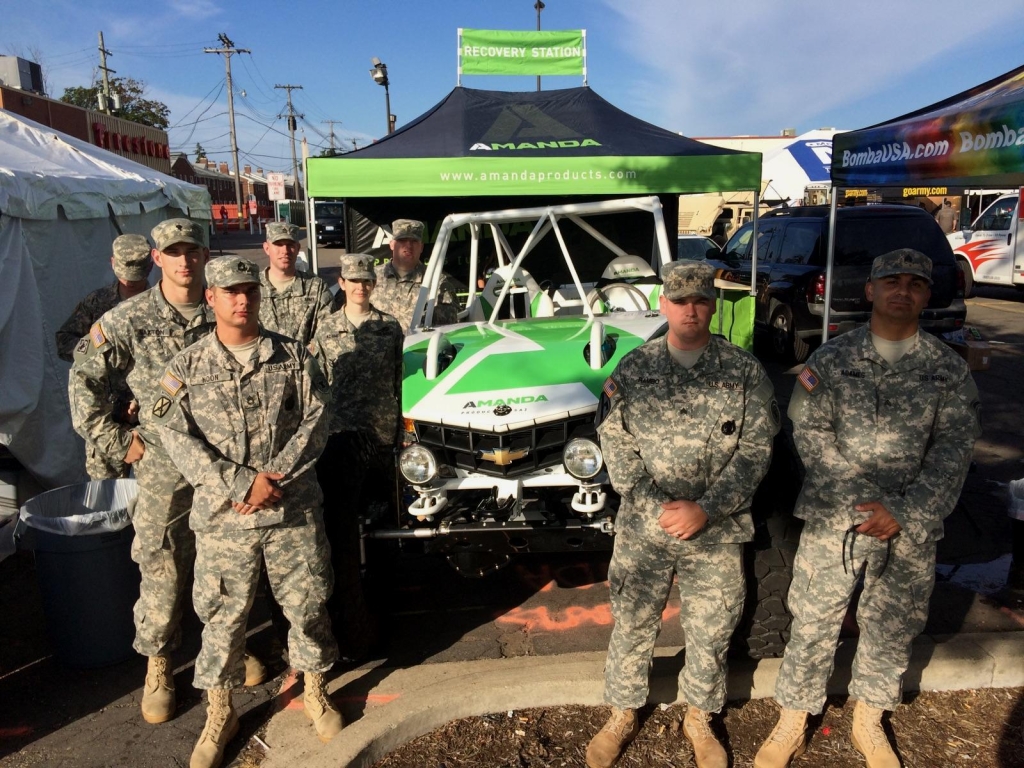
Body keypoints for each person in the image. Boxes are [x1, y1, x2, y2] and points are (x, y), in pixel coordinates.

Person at [754, 249, 981, 768]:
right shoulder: (831, 360)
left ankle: (869, 717)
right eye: (891, 280)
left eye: (916, 283)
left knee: (891, 623)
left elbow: (955, 449)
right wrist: (863, 502)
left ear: (928, 295)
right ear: (871, 290)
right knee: (813, 619)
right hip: (838, 520)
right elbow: (809, 431)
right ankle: (793, 718)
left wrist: (905, 510)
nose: (903, 290)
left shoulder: (946, 370)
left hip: (909, 527)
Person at [69, 219, 265, 727]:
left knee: (226, 559)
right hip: (162, 462)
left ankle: (227, 651)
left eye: (192, 251)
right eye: (172, 252)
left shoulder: (224, 306)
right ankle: (158, 661)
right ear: (156, 259)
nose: (184, 261)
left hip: (224, 461)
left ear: (204, 255)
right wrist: (117, 440)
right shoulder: (128, 318)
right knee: (162, 559)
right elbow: (83, 380)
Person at [586, 261, 779, 768]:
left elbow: (757, 450)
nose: (690, 309)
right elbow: (615, 441)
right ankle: (623, 711)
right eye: (680, 301)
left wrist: (706, 510)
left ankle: (699, 715)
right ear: (665, 305)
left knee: (712, 629)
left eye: (700, 300)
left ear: (712, 306)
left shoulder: (742, 370)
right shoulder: (633, 368)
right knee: (632, 621)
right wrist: (657, 506)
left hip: (716, 529)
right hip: (645, 530)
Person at [154, 257, 340, 768]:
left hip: (290, 509)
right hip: (224, 519)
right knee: (222, 617)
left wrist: (272, 479)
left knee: (306, 604)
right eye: (230, 291)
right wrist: (241, 483)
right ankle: (221, 712)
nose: (242, 299)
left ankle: (315, 690)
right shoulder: (186, 367)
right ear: (210, 297)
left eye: (249, 291)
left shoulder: (293, 356)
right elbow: (174, 435)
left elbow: (318, 421)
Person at [309, 253, 403, 658]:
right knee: (344, 523)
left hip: (382, 434)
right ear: (341, 282)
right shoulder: (325, 328)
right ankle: (356, 612)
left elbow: (402, 376)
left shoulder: (389, 327)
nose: (361, 286)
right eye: (353, 280)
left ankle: (388, 596)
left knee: (388, 520)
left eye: (367, 280)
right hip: (342, 436)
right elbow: (315, 380)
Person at [56, 233, 153, 479]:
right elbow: (65, 341)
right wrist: (97, 353)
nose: (131, 281)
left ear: (151, 264)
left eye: (138, 274)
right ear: (112, 263)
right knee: (109, 500)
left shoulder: (161, 306)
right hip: (108, 419)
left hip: (152, 417)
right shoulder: (98, 303)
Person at [372, 218, 460, 332]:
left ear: (421, 247)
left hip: (418, 347)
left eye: (414, 241)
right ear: (392, 244)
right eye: (402, 240)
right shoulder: (372, 277)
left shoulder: (437, 282)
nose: (408, 246)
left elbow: (450, 325)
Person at [258, 221, 335, 345]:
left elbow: (327, 333)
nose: (285, 251)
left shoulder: (315, 287)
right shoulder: (253, 287)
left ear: (298, 248)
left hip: (306, 362)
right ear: (267, 248)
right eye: (278, 244)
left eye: (290, 244)